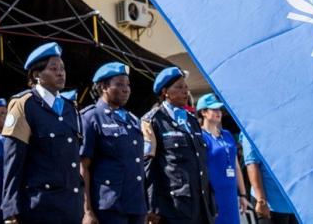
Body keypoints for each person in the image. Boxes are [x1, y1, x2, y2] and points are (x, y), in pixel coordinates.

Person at [1, 42, 83, 224]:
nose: (60, 73)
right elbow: (13, 161)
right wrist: (10, 209)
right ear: (37, 75)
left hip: (71, 206)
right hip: (39, 206)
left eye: (62, 68)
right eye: (53, 68)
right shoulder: (24, 104)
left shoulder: (70, 108)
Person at [141, 67, 216, 224]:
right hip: (174, 207)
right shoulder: (152, 121)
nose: (185, 91)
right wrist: (151, 207)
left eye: (186, 87)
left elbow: (200, 162)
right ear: (165, 91)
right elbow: (148, 166)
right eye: (179, 87)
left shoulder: (192, 120)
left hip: (201, 205)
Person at [80, 62, 148, 224]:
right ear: (103, 87)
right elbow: (83, 167)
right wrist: (87, 210)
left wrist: (146, 205)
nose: (126, 89)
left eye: (128, 85)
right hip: (110, 206)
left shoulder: (132, 119)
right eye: (119, 84)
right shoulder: (91, 117)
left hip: (136, 206)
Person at [197, 93, 247, 224]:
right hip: (213, 195)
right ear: (203, 112)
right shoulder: (200, 136)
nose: (218, 112)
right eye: (214, 109)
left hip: (231, 195)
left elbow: (236, 166)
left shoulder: (227, 134)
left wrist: (242, 194)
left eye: (219, 109)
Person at [240, 134, 298, 224]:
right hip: (268, 204)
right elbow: (252, 163)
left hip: (293, 204)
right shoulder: (251, 127)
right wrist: (261, 200)